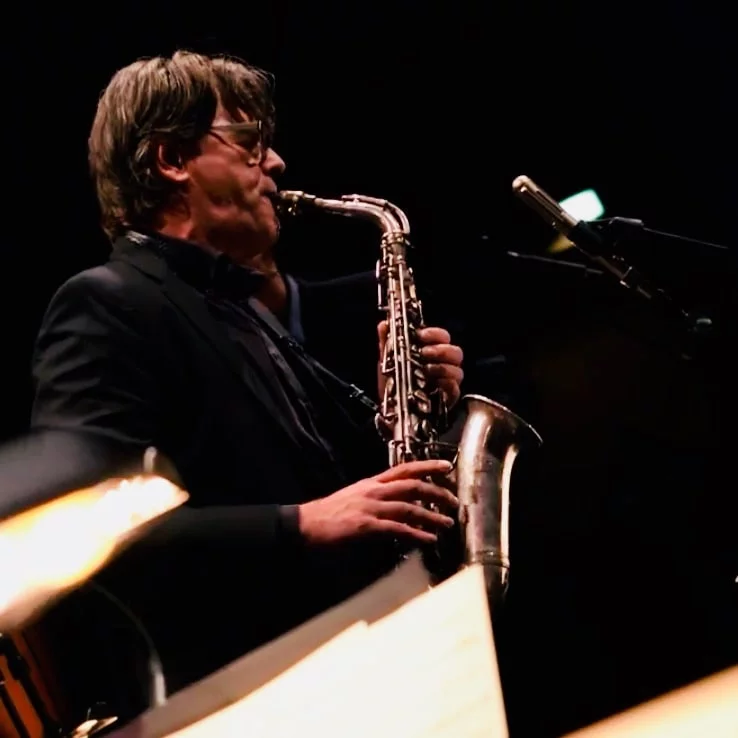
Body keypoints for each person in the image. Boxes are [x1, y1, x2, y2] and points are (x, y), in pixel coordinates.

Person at [29, 50, 465, 722]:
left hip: (353, 667)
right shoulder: (105, 302)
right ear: (172, 159)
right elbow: (82, 530)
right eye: (250, 142)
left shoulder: (237, 308)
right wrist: (303, 523)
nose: (277, 163)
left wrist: (393, 408)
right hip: (254, 702)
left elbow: (310, 486)